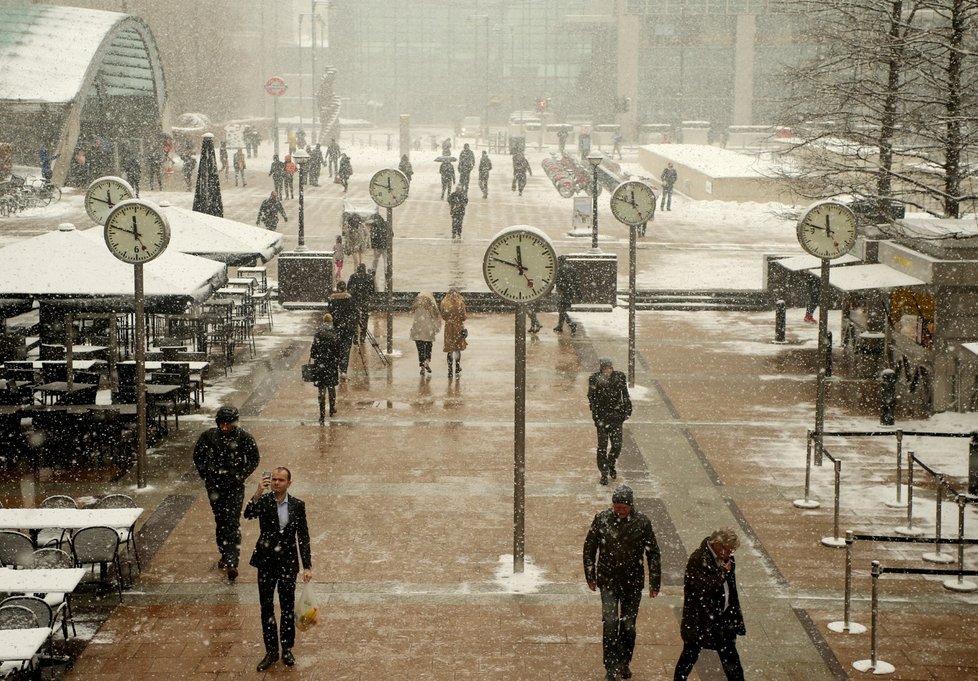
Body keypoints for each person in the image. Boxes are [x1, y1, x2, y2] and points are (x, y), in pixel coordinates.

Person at [584, 485, 661, 681]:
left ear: (631, 506)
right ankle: (610, 666)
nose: (619, 511)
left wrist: (654, 582)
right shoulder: (602, 519)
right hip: (608, 581)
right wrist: (590, 575)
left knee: (628, 625)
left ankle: (624, 661)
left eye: (623, 508)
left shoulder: (642, 523)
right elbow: (589, 548)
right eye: (616, 507)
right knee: (610, 623)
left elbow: (653, 553)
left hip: (632, 583)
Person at [244, 467, 312, 672]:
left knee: (287, 607)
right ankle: (271, 651)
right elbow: (247, 515)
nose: (276, 483)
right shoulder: (263, 501)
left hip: (288, 563)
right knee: (266, 608)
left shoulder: (298, 505)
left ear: (289, 483)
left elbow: (303, 537)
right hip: (266, 561)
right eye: (273, 479)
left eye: (281, 480)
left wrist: (307, 565)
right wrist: (257, 492)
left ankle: (287, 649)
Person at [193, 405, 261, 583]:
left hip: (234, 486)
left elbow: (254, 458)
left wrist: (240, 475)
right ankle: (224, 553)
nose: (224, 427)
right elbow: (198, 455)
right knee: (220, 519)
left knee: (231, 520)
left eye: (228, 424)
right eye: (222, 424)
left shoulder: (244, 437)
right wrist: (206, 474)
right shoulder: (208, 436)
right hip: (214, 485)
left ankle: (232, 560)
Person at [673, 528, 746, 681]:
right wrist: (722, 573)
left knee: (731, 660)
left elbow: (730, 590)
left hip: (722, 620)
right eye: (729, 549)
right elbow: (702, 589)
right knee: (689, 656)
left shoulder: (727, 559)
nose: (730, 553)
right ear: (718, 545)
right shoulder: (698, 559)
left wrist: (733, 615)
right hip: (701, 620)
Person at [588, 358, 632, 486]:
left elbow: (625, 394)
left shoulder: (619, 377)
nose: (608, 371)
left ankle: (611, 462)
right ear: (601, 369)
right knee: (602, 447)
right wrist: (595, 415)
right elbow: (591, 397)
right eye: (605, 368)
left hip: (616, 417)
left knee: (617, 445)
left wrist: (627, 410)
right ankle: (603, 472)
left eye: (610, 368)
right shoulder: (594, 378)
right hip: (602, 418)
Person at [309, 313, 340, 421]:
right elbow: (338, 352)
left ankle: (322, 413)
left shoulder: (318, 334)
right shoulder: (334, 334)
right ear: (331, 322)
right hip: (331, 365)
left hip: (320, 365)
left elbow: (313, 353)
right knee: (331, 387)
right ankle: (332, 408)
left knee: (321, 388)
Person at [328, 280, 356, 379]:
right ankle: (343, 370)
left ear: (337, 288)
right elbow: (354, 313)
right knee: (346, 349)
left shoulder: (332, 299)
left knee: (337, 348)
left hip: (337, 327)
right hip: (348, 328)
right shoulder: (350, 299)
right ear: (345, 288)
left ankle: (336, 368)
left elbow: (330, 313)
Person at [409, 292, 441, 377]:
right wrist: (436, 328)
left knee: (420, 349)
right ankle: (427, 361)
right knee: (428, 347)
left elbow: (414, 317)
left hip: (417, 330)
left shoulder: (416, 305)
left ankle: (422, 366)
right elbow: (437, 317)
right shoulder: (431, 306)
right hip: (428, 330)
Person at [440, 288, 467, 379]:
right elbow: (464, 317)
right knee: (457, 348)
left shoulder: (444, 302)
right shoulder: (460, 301)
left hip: (448, 328)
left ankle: (450, 370)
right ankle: (457, 367)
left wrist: (449, 320)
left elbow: (443, 315)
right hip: (458, 327)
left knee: (450, 348)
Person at [347, 263, 375, 344]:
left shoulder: (353, 276)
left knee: (355, 319)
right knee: (364, 318)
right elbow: (372, 290)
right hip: (364, 301)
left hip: (355, 301)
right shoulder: (369, 277)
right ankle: (362, 336)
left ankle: (355, 336)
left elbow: (348, 288)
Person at [553, 255, 578, 335]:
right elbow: (576, 281)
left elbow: (556, 281)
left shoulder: (559, 269)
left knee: (561, 309)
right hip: (569, 292)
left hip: (562, 292)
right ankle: (560, 326)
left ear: (560, 261)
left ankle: (572, 324)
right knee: (562, 308)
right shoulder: (572, 268)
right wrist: (577, 292)